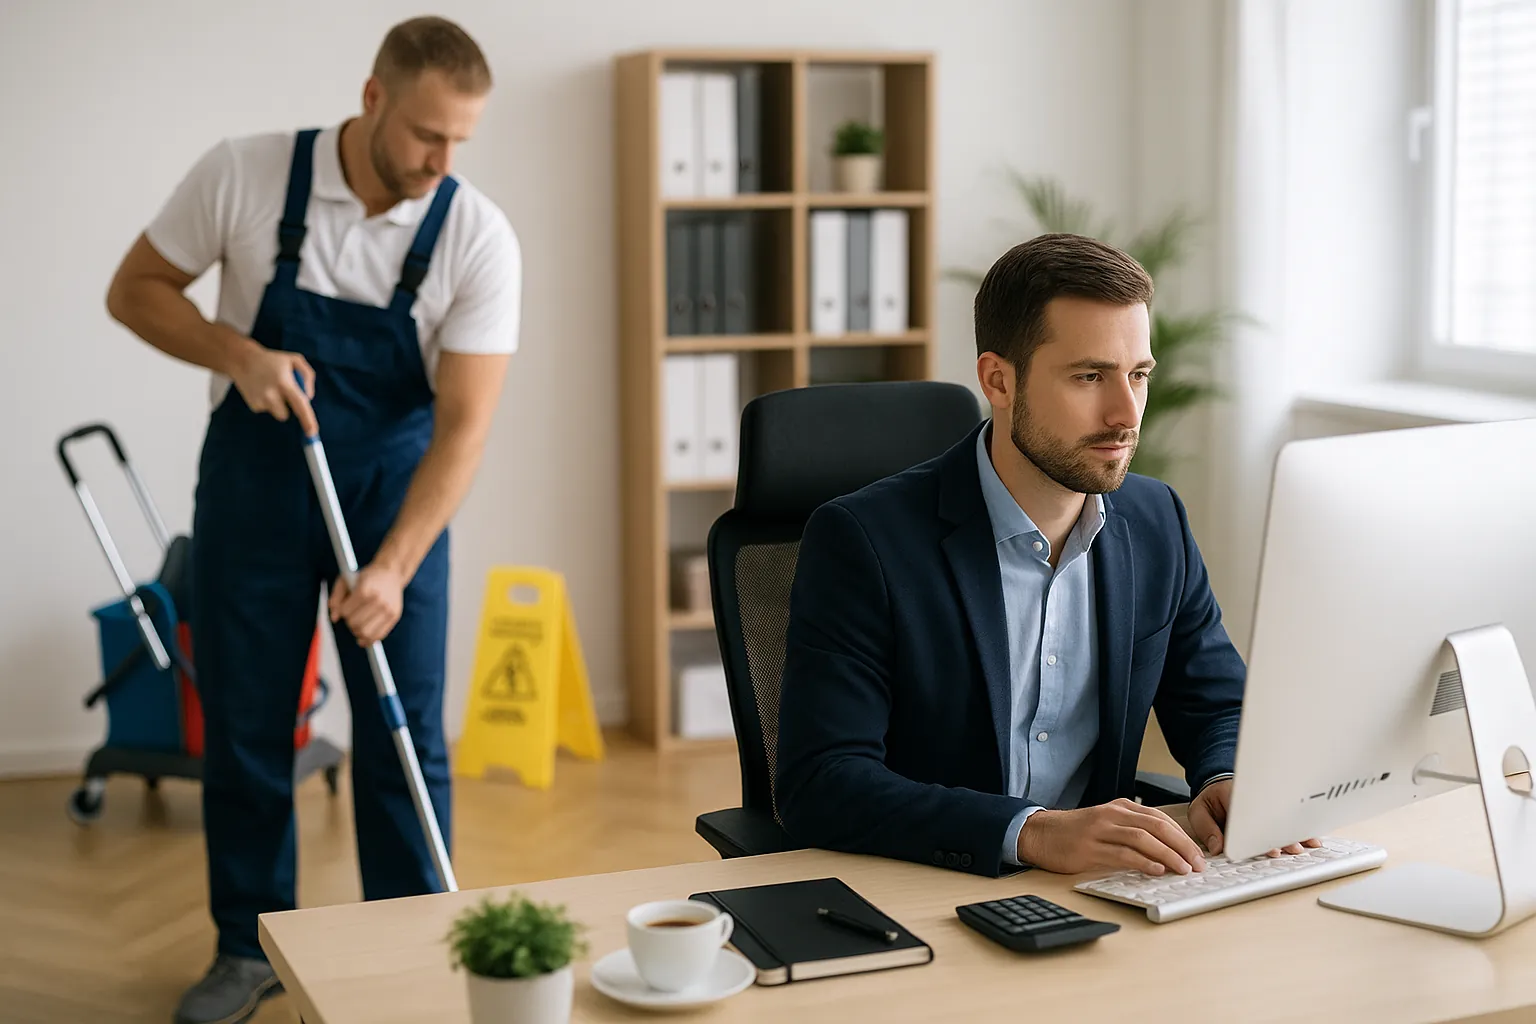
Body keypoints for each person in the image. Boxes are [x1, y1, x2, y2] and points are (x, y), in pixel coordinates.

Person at [105, 16, 521, 1024]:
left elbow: (464, 429)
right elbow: (135, 291)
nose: (442, 159)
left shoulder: (475, 233)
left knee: (404, 734)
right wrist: (234, 353)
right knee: (248, 726)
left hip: (396, 497)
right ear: (372, 99)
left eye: (462, 139)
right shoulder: (244, 176)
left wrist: (392, 566)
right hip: (253, 485)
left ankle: (414, 949)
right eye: (428, 133)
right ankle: (247, 945)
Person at [774, 233, 1318, 882]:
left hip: (1103, 892)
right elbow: (823, 782)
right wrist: (1031, 833)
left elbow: (1215, 700)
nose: (1126, 414)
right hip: (932, 888)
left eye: (1138, 376)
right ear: (998, 381)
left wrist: (1224, 777)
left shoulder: (1155, 521)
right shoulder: (864, 541)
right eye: (1089, 377)